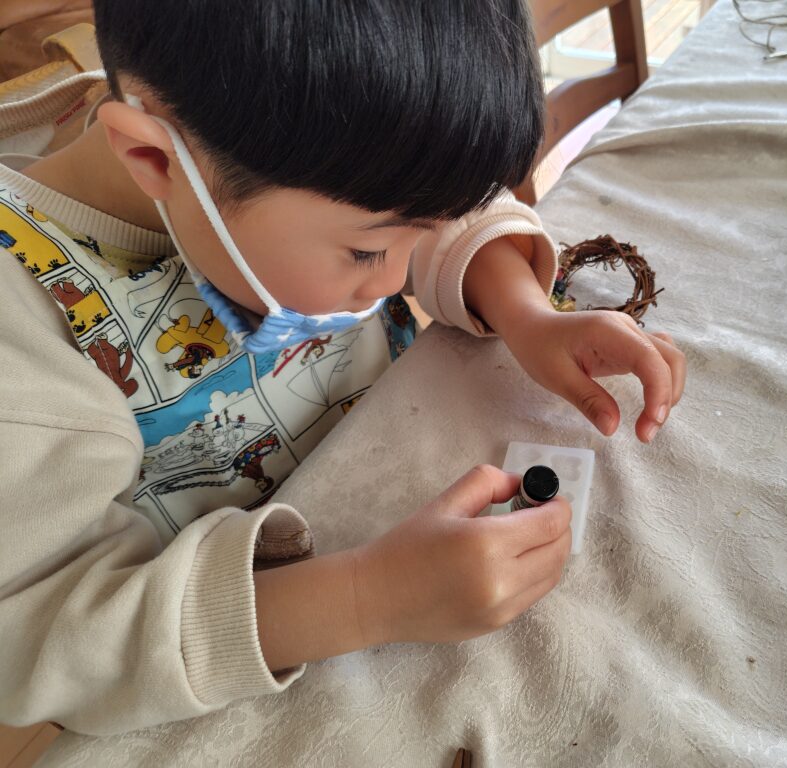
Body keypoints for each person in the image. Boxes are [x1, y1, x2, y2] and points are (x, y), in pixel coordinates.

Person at [0, 0, 686, 734]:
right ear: (153, 160)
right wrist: (367, 597)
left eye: (408, 241)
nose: (393, 280)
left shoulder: (277, 152)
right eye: (367, 252)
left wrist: (527, 315)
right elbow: (39, 641)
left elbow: (433, 210)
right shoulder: (24, 350)